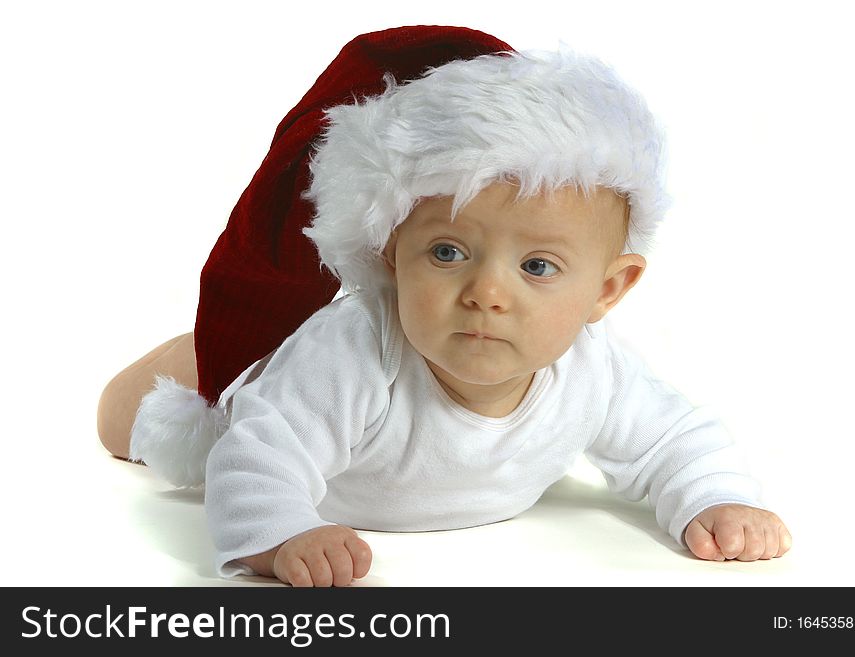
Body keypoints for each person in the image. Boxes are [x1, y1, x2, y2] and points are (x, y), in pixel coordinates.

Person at [97, 26, 792, 587]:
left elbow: (674, 438)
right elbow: (258, 453)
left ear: (606, 290)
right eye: (448, 253)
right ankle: (207, 350)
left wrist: (717, 498)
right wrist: (279, 535)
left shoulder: (593, 368)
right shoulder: (354, 353)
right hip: (264, 390)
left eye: (538, 266)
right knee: (126, 420)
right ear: (389, 255)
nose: (488, 292)